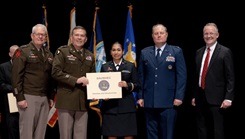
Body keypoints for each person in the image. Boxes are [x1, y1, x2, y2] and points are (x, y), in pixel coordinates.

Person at [137, 23, 187, 139]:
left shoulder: (176, 51)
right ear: (152, 36)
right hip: (149, 100)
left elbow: (181, 76)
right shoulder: (145, 52)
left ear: (167, 35)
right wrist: (140, 96)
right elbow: (141, 76)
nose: (159, 35)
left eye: (161, 33)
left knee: (167, 135)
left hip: (168, 101)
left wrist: (179, 96)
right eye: (156, 33)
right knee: (151, 134)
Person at [191, 22, 235, 139]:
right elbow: (197, 76)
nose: (208, 36)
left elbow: (230, 77)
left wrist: (228, 97)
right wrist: (195, 95)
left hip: (218, 98)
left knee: (217, 129)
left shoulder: (225, 52)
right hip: (200, 96)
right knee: (201, 128)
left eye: (211, 33)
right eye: (206, 33)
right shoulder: (199, 52)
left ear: (217, 35)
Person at [11, 24, 54, 139]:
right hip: (28, 96)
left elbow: (49, 77)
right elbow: (16, 77)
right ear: (32, 35)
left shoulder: (49, 54)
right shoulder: (23, 51)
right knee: (27, 132)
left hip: (44, 98)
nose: (41, 37)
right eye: (38, 34)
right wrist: (20, 97)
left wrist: (50, 96)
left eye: (43, 35)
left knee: (40, 133)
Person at [52, 25, 95, 139]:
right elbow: (55, 72)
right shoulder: (62, 51)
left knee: (81, 136)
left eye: (82, 36)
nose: (79, 38)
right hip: (66, 100)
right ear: (71, 37)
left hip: (82, 101)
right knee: (65, 135)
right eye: (77, 35)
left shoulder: (90, 56)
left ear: (86, 39)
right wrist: (76, 80)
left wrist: (95, 93)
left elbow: (93, 77)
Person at [100, 42, 140, 139]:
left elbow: (138, 85)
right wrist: (102, 96)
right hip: (110, 107)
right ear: (110, 52)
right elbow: (101, 86)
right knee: (111, 135)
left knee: (128, 135)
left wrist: (128, 85)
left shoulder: (130, 66)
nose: (116, 52)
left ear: (122, 52)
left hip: (127, 106)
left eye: (118, 50)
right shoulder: (105, 66)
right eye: (114, 50)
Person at [0, 45, 19, 139]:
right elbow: (1, 84)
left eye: (19, 53)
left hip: (25, 101)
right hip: (10, 102)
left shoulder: (26, 66)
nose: (17, 55)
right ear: (10, 54)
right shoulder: (3, 67)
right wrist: (15, 89)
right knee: (12, 128)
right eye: (15, 53)